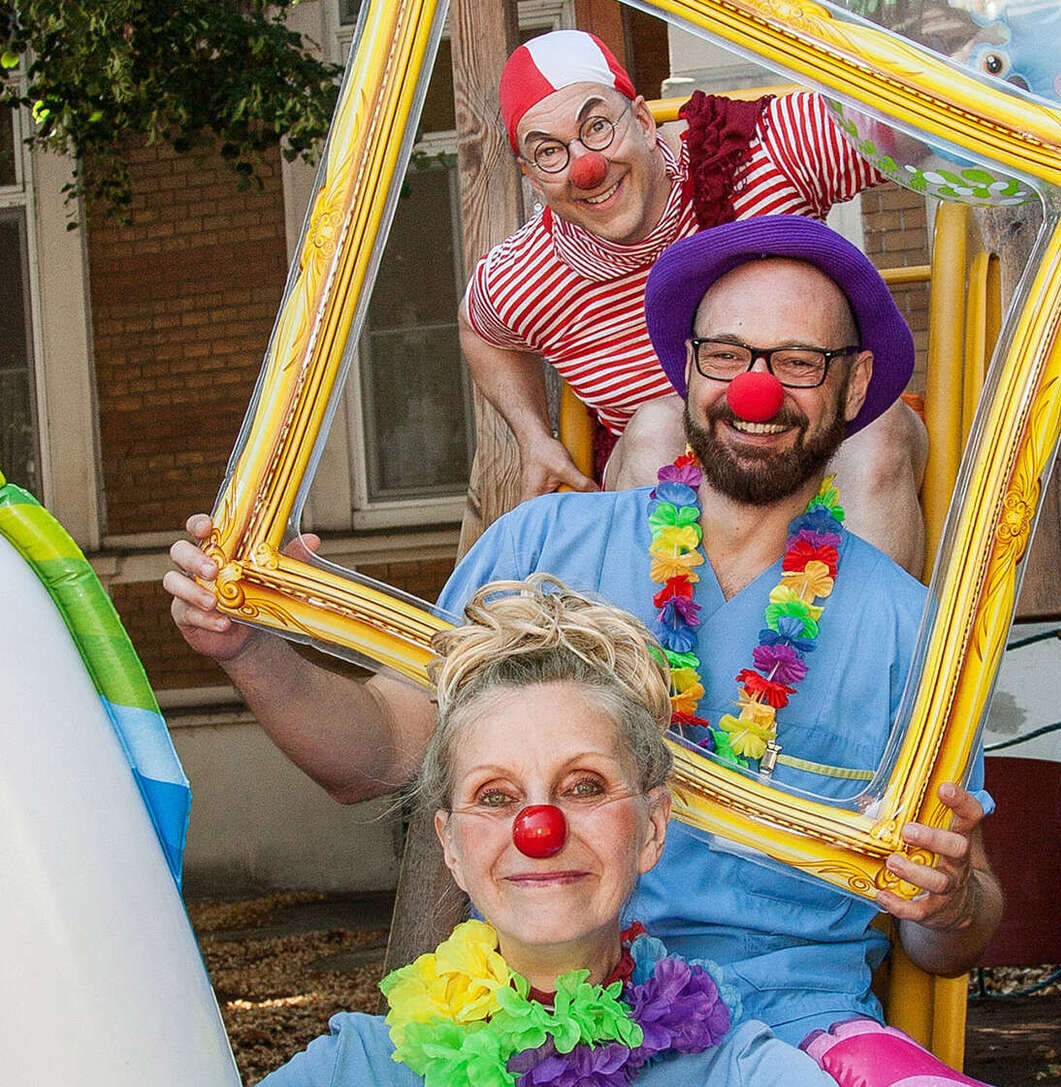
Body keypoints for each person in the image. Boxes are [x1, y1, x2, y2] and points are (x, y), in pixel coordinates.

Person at [167, 216, 999, 1077]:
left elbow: (951, 940)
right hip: (539, 1011)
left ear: (854, 384)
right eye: (726, 355)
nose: (756, 390)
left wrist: (948, 900)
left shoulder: (915, 632)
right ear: (686, 368)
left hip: (801, 1032)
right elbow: (376, 752)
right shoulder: (540, 548)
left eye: (796, 362)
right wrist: (248, 651)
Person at [258, 577, 838, 1085]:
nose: (540, 830)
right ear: (452, 846)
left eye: (584, 786)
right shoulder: (361, 1069)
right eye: (496, 796)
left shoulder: (740, 1073)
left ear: (653, 828)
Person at [460, 30, 928, 573]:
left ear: (641, 119)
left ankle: (871, 653)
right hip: (687, 500)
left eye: (597, 127)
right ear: (531, 177)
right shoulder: (527, 276)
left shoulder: (763, 153)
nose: (584, 166)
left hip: (820, 455)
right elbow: (481, 332)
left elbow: (904, 121)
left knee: (879, 430)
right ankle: (660, 657)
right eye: (549, 151)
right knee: (658, 426)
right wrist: (533, 435)